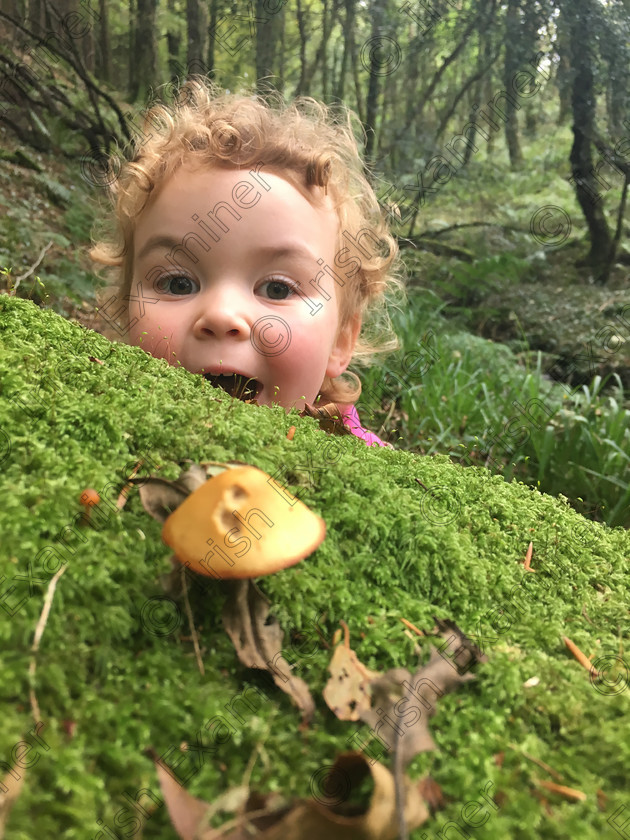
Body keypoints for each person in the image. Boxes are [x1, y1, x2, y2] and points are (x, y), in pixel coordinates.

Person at [90, 78, 405, 448]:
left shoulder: (366, 465)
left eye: (277, 288)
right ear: (127, 314)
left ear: (340, 341)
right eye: (177, 283)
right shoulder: (98, 429)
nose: (223, 316)